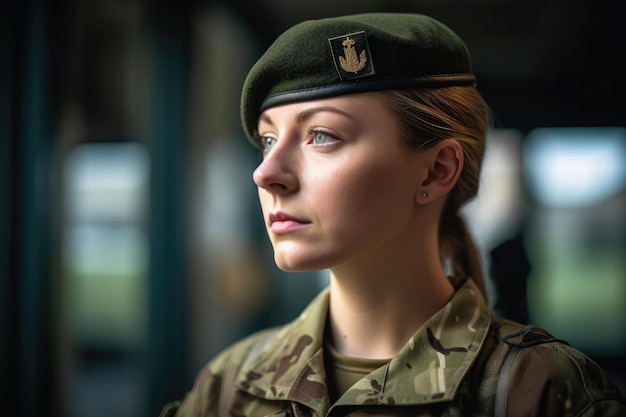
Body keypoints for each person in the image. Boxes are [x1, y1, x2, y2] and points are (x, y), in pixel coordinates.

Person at [160, 13, 626, 416]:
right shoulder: (230, 383)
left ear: (436, 170)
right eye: (267, 140)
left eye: (321, 135)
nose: (266, 173)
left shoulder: (542, 391)